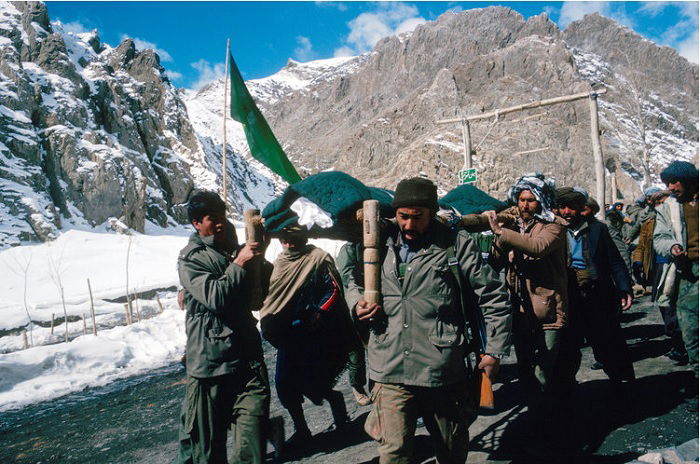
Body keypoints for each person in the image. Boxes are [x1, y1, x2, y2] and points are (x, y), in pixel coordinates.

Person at [346, 177, 512, 464]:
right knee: (393, 453)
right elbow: (350, 278)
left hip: (441, 370)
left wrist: (494, 350)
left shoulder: (454, 245)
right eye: (403, 217)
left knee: (450, 451)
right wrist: (355, 302)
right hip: (389, 368)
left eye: (418, 218)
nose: (409, 225)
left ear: (432, 213)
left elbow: (494, 296)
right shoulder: (377, 243)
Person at [175, 190, 271, 464]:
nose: (219, 223)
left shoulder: (231, 243)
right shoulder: (191, 258)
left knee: (252, 442)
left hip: (247, 360)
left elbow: (258, 295)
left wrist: (258, 259)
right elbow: (216, 297)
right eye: (211, 219)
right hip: (210, 365)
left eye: (222, 217)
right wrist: (240, 262)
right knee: (205, 451)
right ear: (196, 223)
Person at [259, 225, 354, 451]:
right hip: (288, 334)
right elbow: (271, 295)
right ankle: (303, 430)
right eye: (285, 240)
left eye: (294, 240)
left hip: (314, 333)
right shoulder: (279, 264)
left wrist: (320, 311)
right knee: (284, 384)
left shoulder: (317, 259)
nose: (289, 244)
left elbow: (332, 289)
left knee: (313, 381)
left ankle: (339, 412)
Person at [483, 174, 568, 403]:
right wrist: (497, 241)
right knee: (524, 366)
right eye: (521, 200)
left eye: (530, 200)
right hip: (521, 310)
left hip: (548, 310)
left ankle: (547, 416)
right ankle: (535, 414)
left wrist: (503, 232)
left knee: (544, 369)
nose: (525, 205)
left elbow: (538, 247)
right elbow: (496, 262)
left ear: (540, 201)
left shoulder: (554, 226)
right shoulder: (515, 227)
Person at [554, 187, 635, 393]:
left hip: (598, 293)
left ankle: (621, 382)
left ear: (580, 208)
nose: (566, 212)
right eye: (562, 207)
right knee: (568, 345)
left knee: (607, 339)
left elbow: (614, 261)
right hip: (568, 296)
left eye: (571, 207)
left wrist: (625, 288)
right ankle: (565, 389)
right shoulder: (553, 231)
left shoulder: (597, 229)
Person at [654, 160, 699, 376]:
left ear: (689, 181)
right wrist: (671, 246)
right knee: (690, 330)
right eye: (668, 183)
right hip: (687, 273)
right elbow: (660, 237)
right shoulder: (667, 208)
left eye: (674, 182)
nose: (670, 188)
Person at [335, 240, 373, 406]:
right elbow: (348, 279)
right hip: (355, 304)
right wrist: (358, 301)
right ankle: (357, 387)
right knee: (356, 350)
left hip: (379, 301)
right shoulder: (349, 249)